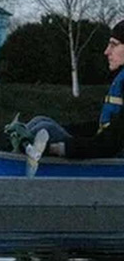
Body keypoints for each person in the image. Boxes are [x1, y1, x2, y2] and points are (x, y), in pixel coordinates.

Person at [15, 22, 124, 159]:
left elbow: (112, 142)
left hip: (112, 159)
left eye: (114, 45)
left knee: (46, 129)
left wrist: (63, 148)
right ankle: (10, 144)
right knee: (41, 121)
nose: (107, 51)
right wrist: (66, 130)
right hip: (103, 147)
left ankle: (6, 158)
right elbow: (103, 127)